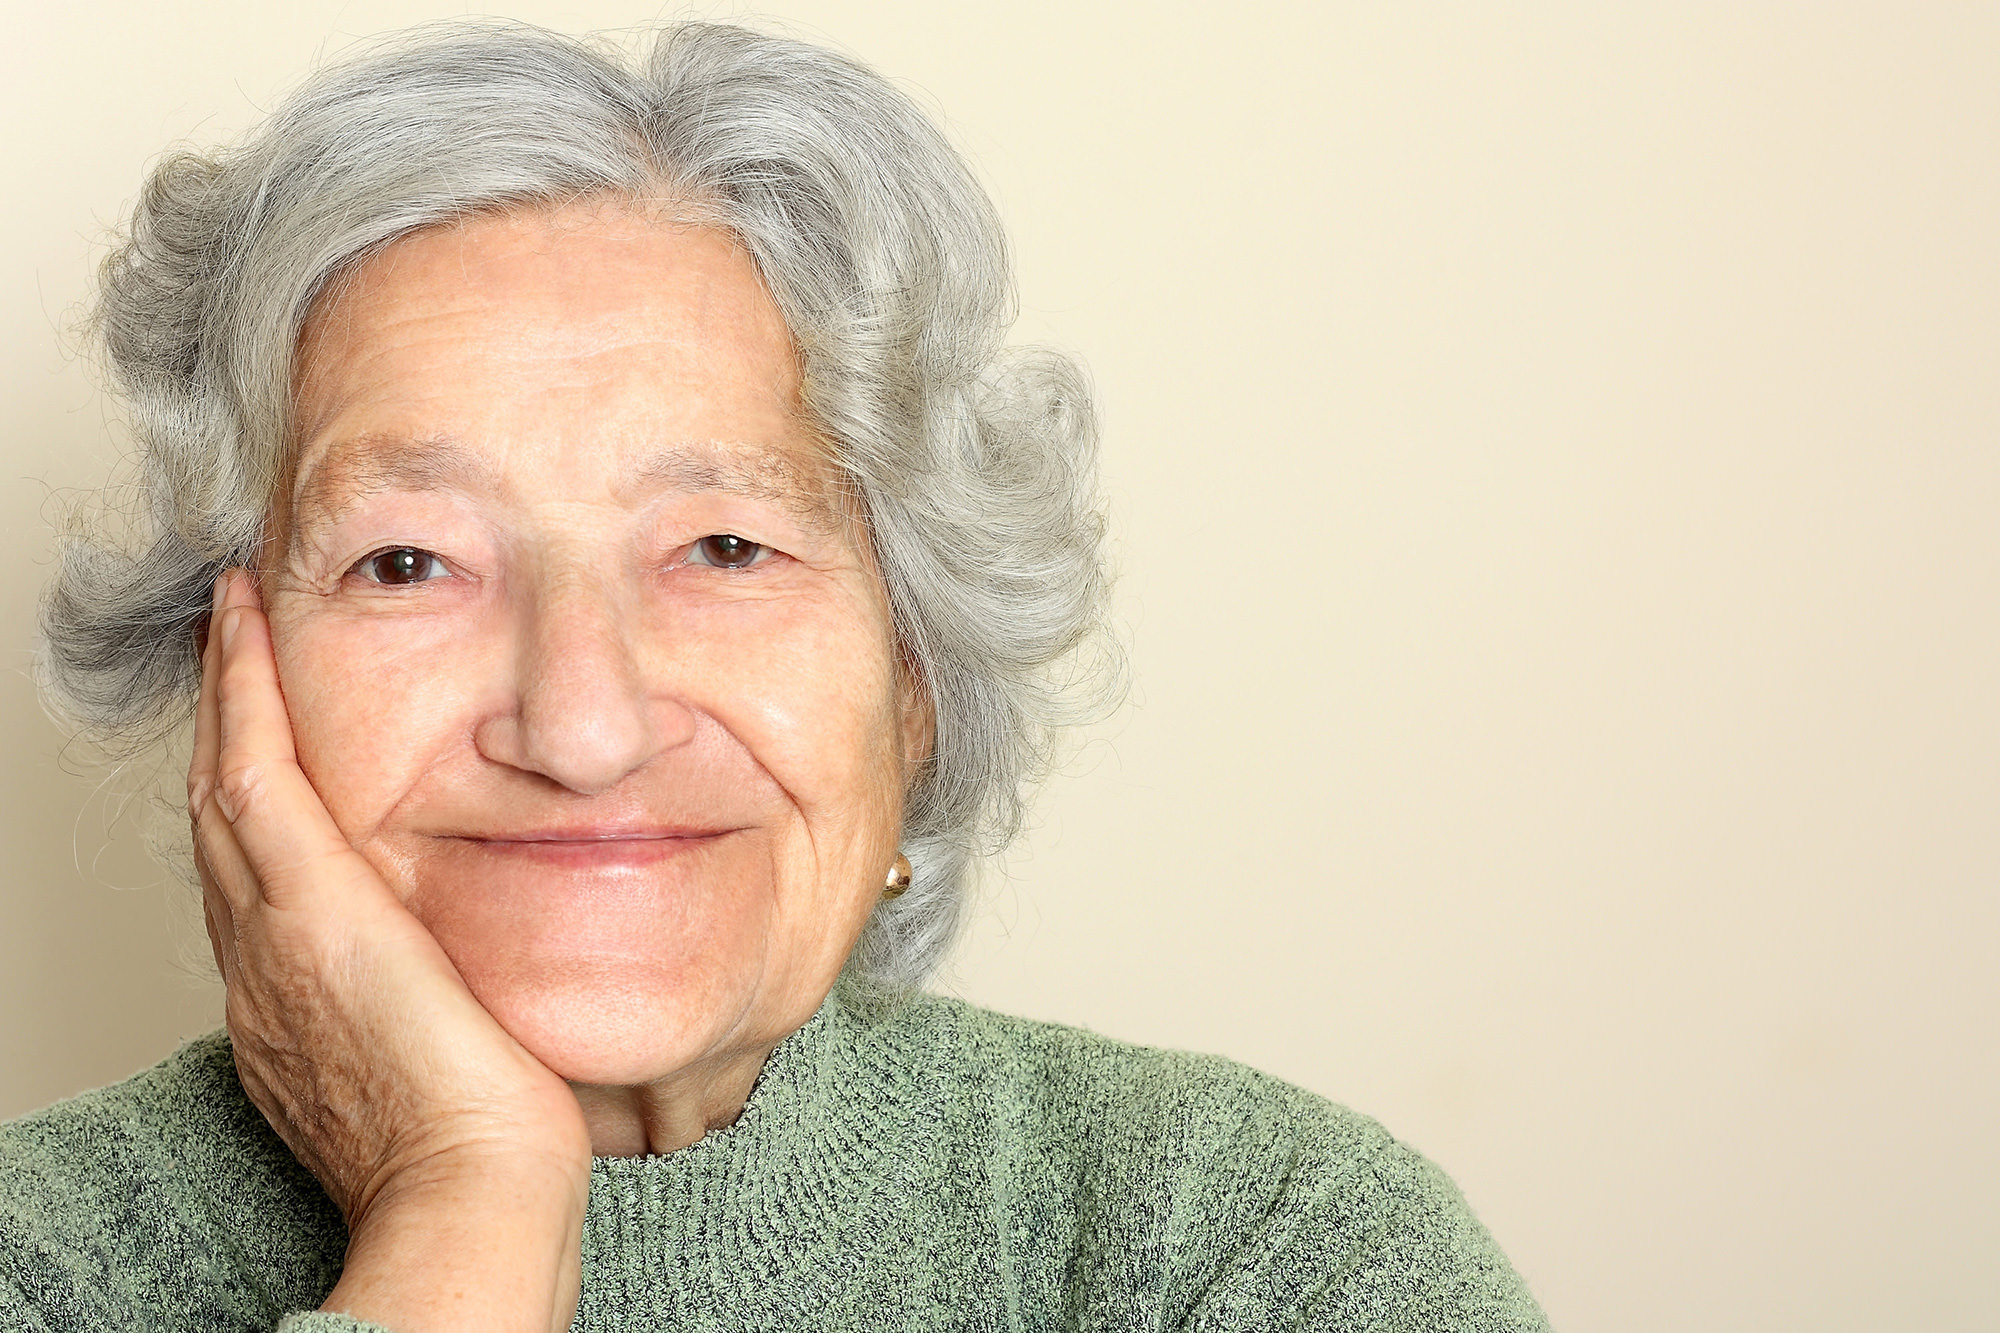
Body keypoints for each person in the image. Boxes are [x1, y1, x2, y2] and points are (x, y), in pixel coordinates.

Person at [0, 20, 1549, 1332]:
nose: (585, 724)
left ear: (915, 679)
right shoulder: (43, 1267)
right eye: (408, 561)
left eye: (728, 547)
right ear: (233, 686)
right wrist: (462, 1201)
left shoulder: (1254, 1248)